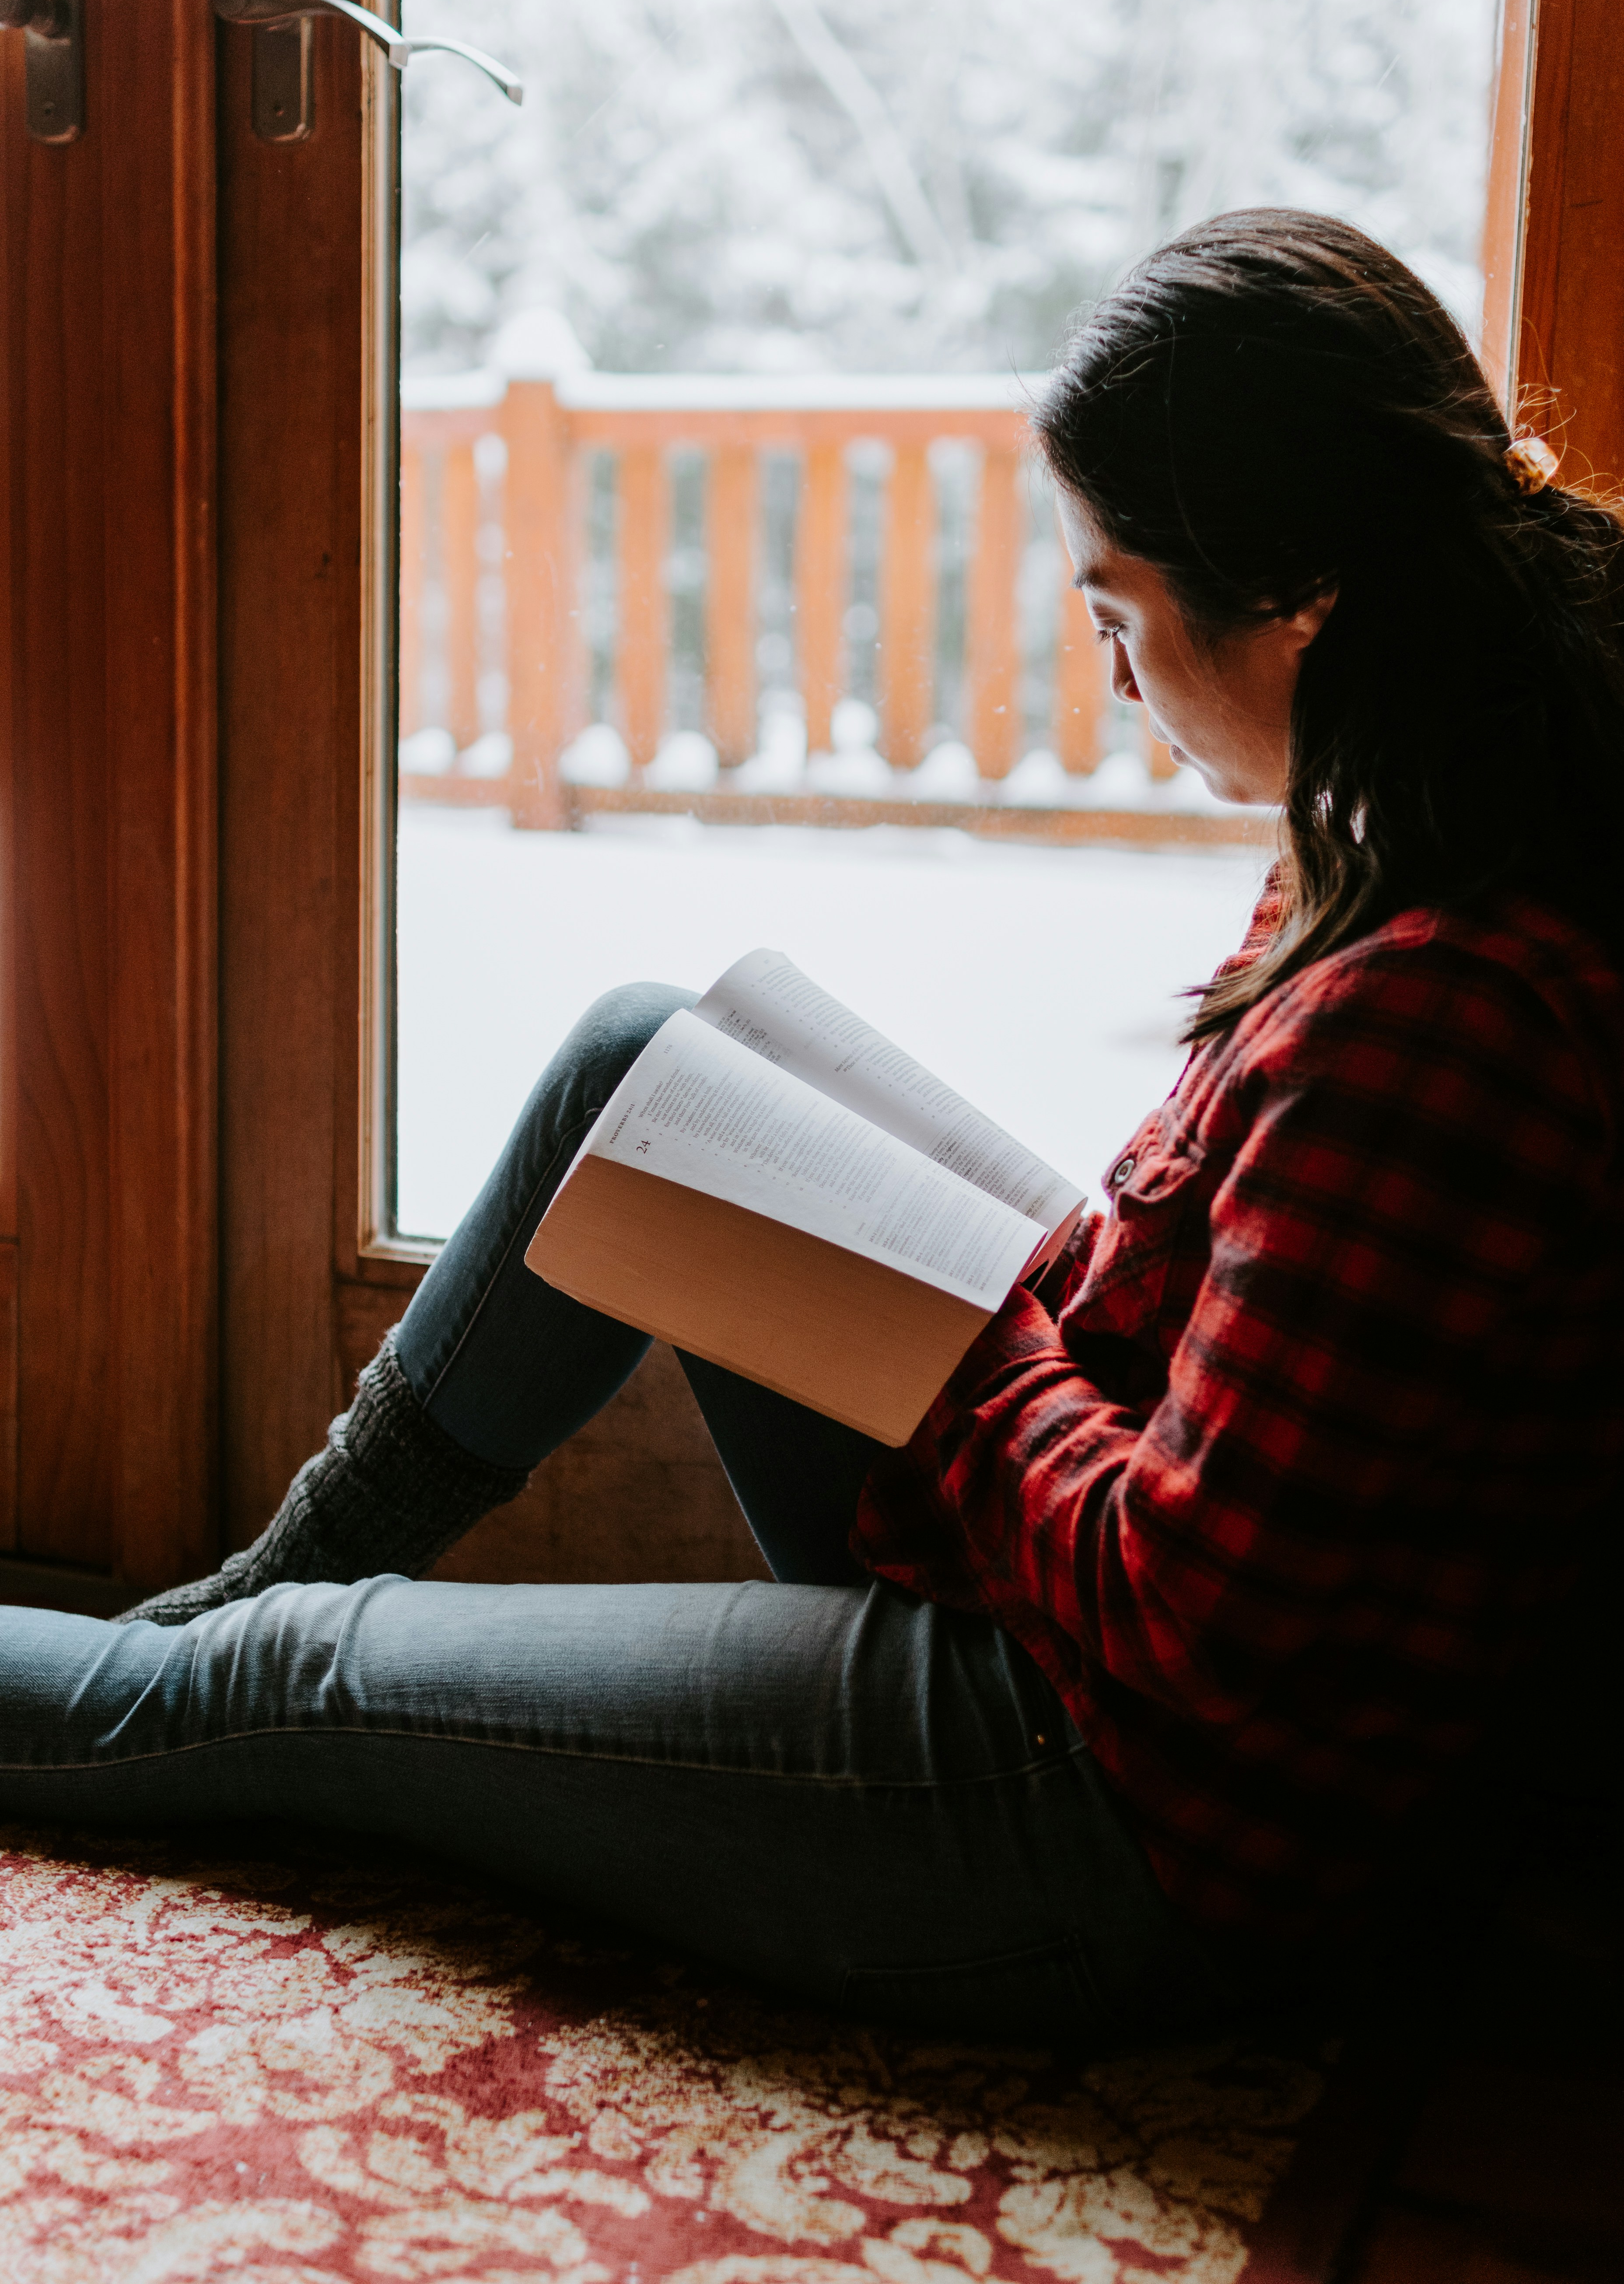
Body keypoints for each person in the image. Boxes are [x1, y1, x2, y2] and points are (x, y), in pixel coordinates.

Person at [2, 210, 1620, 2048]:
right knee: (645, 1062)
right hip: (1064, 1642)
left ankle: (196, 1679)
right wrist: (975, 1287)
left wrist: (966, 1338)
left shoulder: (1441, 1020)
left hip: (1112, 1815)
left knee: (298, 1686)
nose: (1104, 675)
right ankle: (208, 1634)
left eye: (1117, 614)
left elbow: (1192, 1622)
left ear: (1304, 599)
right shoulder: (1398, 835)